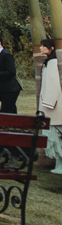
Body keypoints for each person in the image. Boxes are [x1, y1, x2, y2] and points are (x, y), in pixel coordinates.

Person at [37, 39, 62, 175]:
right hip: (48, 105)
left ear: (52, 48)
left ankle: (61, 164)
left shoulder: (52, 63)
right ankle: (59, 164)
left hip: (52, 107)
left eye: (43, 46)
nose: (40, 48)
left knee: (55, 137)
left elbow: (53, 86)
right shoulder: (48, 63)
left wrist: (48, 103)